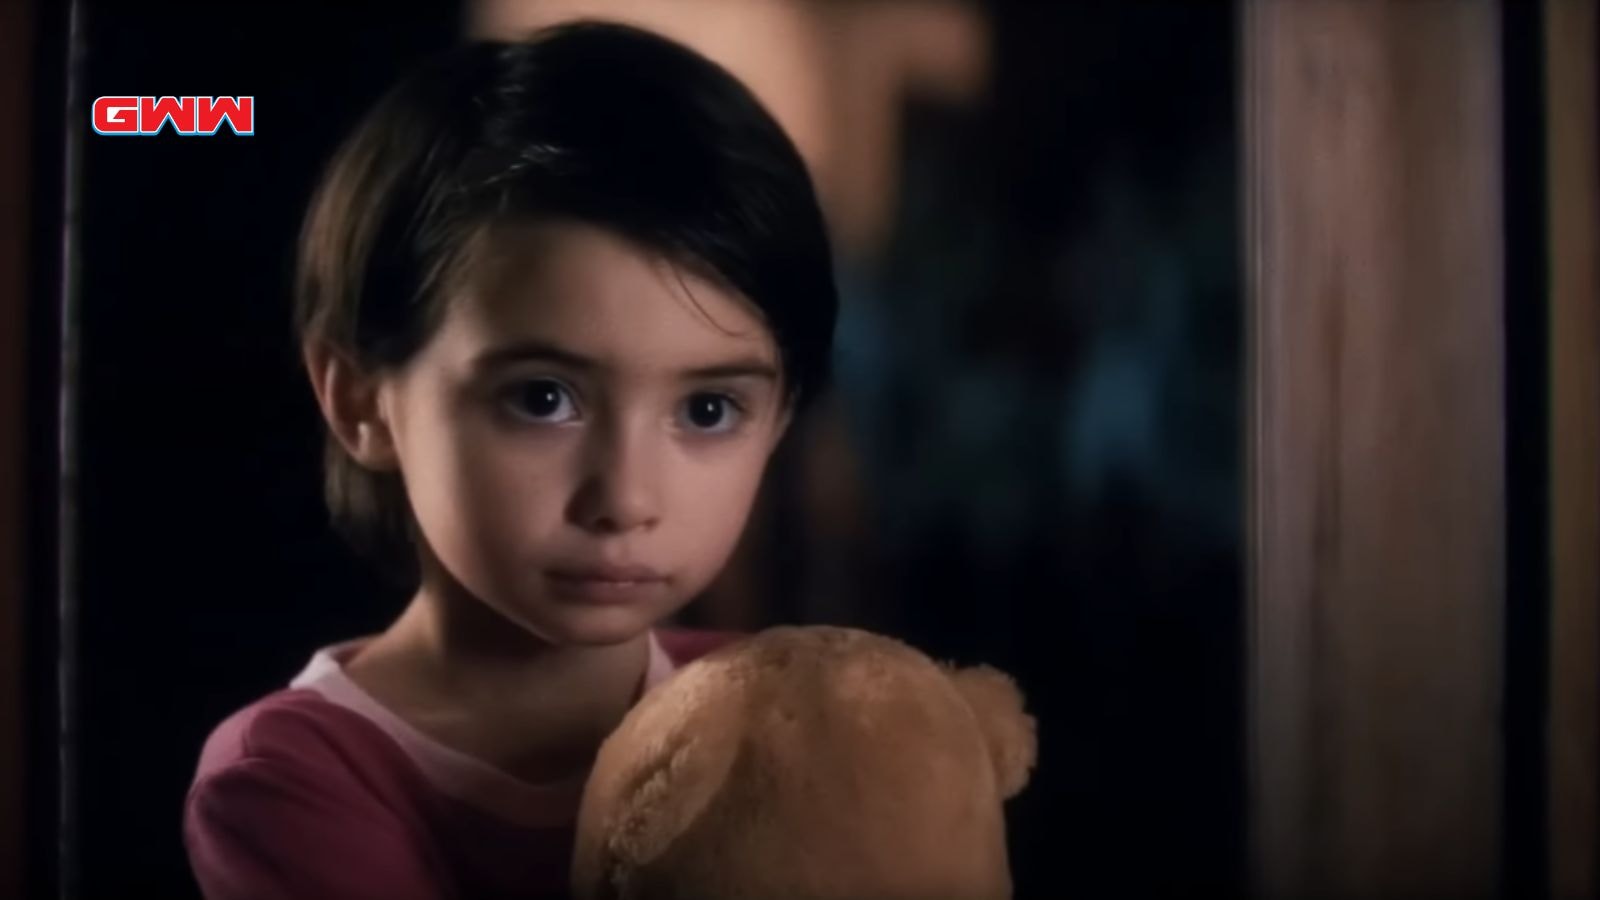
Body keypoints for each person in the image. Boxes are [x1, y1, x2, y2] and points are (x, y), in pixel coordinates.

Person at [182, 20, 837, 899]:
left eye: (708, 410)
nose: (625, 499)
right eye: (543, 398)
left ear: (781, 416)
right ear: (361, 399)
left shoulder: (778, 713)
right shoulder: (293, 777)